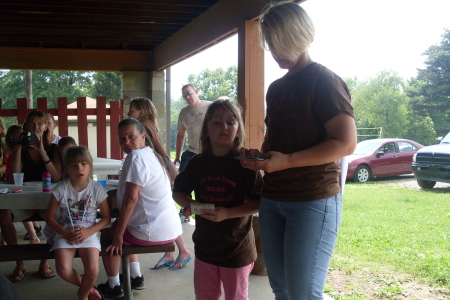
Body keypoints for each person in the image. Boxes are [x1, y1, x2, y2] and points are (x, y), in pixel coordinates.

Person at [239, 3, 357, 299]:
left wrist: (288, 161)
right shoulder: (276, 89)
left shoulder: (324, 81)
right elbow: (276, 143)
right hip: (273, 199)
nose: (274, 52)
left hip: (313, 199)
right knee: (281, 289)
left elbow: (346, 142)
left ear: (298, 36)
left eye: (278, 43)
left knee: (303, 293)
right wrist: (261, 156)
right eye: (270, 44)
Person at [173, 99, 262, 300]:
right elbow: (178, 192)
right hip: (206, 248)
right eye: (216, 122)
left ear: (238, 130)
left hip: (237, 250)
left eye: (231, 122)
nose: (224, 127)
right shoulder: (197, 164)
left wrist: (228, 213)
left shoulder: (247, 164)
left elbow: (259, 201)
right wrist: (191, 204)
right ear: (206, 130)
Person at [97, 118, 182, 298]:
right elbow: (127, 192)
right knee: (122, 228)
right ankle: (136, 277)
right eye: (122, 139)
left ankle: (113, 287)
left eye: (131, 137)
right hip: (168, 230)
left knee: (105, 237)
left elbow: (130, 198)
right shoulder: (149, 153)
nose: (126, 142)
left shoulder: (136, 157)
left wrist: (118, 236)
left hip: (153, 231)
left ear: (142, 136)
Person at [127, 97, 191, 270]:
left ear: (140, 111)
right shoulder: (146, 123)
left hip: (156, 170)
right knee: (165, 208)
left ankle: (183, 251)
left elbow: (158, 147)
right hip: (156, 168)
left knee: (165, 208)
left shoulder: (144, 124)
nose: (128, 113)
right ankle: (171, 253)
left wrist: (167, 164)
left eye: (131, 110)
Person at [0, 110, 63, 282]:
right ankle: (19, 263)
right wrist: (18, 148)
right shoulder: (21, 149)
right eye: (32, 124)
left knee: (58, 215)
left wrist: (41, 150)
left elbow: (57, 177)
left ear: (45, 127)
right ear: (25, 127)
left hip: (47, 201)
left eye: (40, 124)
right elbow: (15, 178)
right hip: (25, 200)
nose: (36, 127)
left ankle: (45, 262)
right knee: (3, 212)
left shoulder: (53, 148)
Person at [45, 146, 110, 300]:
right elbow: (49, 217)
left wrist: (88, 232)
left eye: (83, 164)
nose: (79, 169)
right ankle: (87, 287)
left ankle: (83, 295)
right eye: (74, 165)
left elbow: (106, 218)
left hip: (89, 234)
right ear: (67, 168)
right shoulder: (61, 189)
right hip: (65, 233)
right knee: (63, 270)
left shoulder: (97, 189)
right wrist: (63, 232)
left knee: (93, 270)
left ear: (90, 166)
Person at [174, 84, 212, 172]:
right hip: (191, 152)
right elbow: (181, 135)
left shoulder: (210, 106)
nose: (187, 97)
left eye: (189, 93)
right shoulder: (183, 112)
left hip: (209, 153)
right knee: (181, 181)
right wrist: (177, 157)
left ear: (196, 92)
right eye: (184, 95)